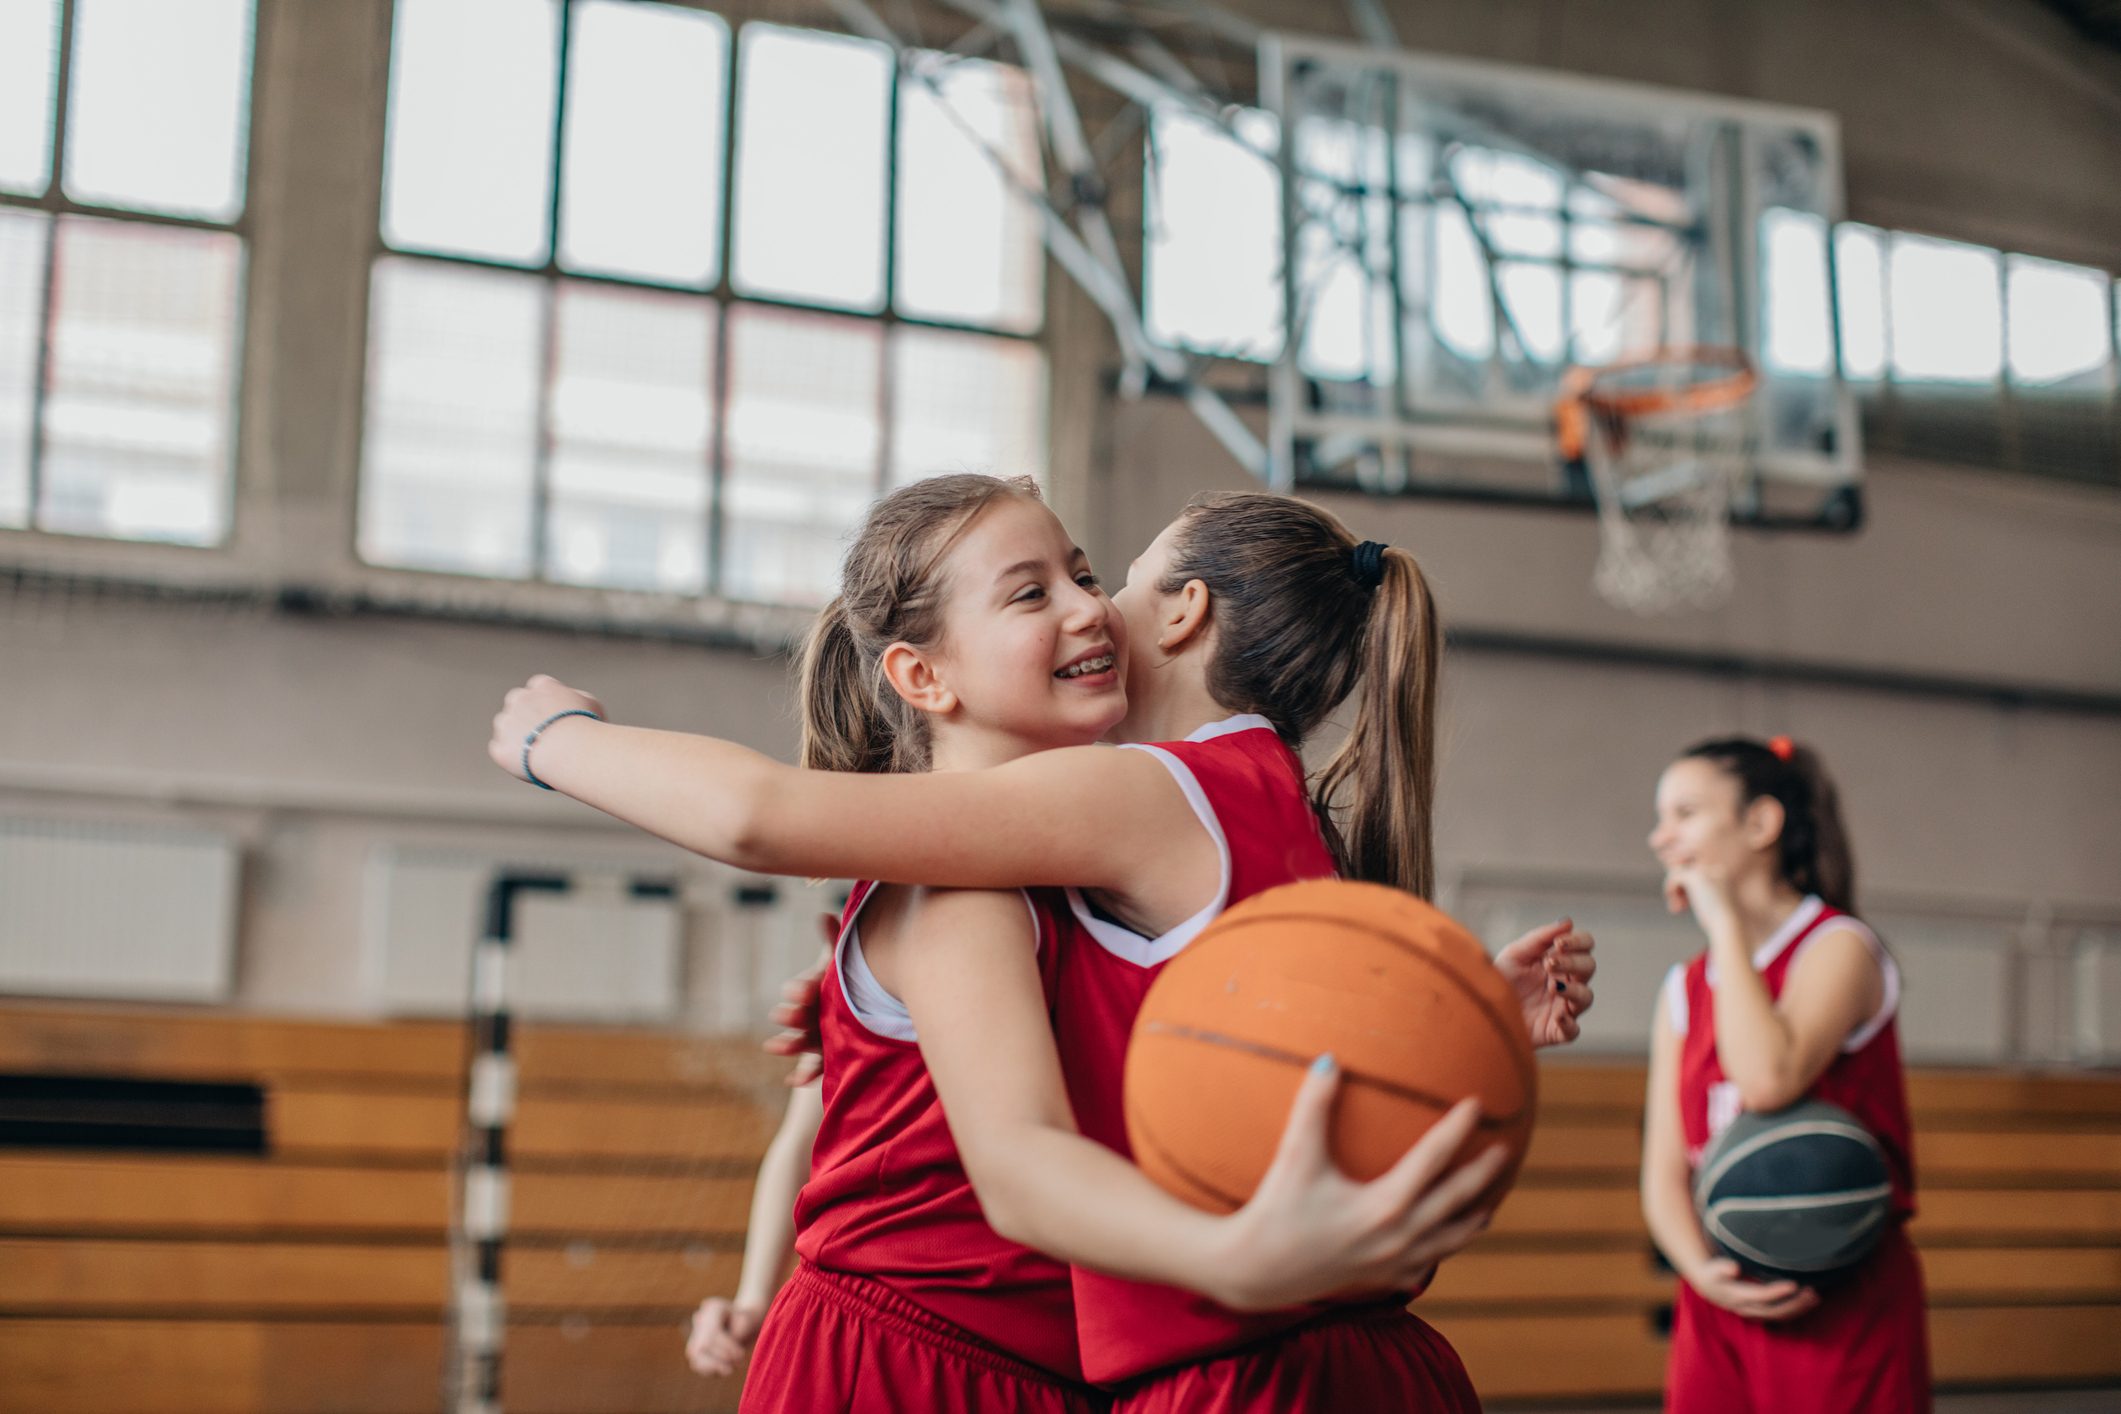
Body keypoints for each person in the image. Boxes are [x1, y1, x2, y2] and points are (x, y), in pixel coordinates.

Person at [494, 488, 1595, 1411]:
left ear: (1185, 614)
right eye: (1036, 591)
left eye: (1096, 575)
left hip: (1138, 1359)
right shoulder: (1159, 838)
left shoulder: (1133, 813)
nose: (1089, 608)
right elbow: (763, 825)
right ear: (924, 675)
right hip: (919, 1358)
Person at [1641, 735, 1929, 1413]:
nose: (1660, 838)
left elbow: (1767, 1078)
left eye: (1684, 814)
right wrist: (1702, 1274)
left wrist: (1724, 928)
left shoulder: (1838, 946)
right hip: (1718, 1296)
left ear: (1760, 823)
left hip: (1836, 1296)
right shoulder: (1683, 987)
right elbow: (1662, 1173)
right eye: (1659, 818)